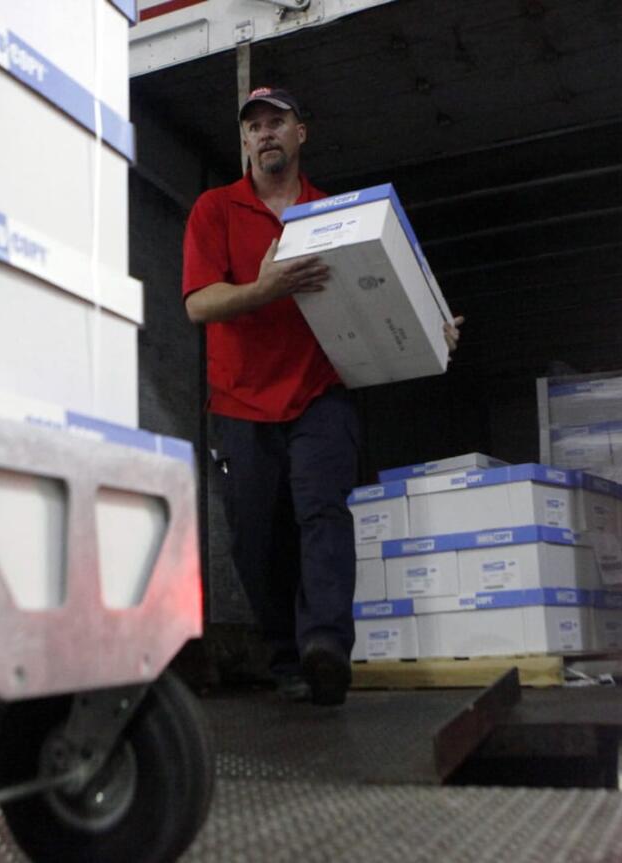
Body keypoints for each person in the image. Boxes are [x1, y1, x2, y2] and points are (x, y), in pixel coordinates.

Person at [181, 86, 463, 705]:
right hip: (240, 404)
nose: (264, 134)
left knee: (323, 514)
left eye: (276, 122)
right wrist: (264, 288)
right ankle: (286, 658)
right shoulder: (214, 210)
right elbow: (201, 304)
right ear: (245, 142)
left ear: (300, 132)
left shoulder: (337, 214)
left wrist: (431, 321)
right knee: (256, 539)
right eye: (253, 127)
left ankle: (326, 648)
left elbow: (390, 286)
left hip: (319, 394)